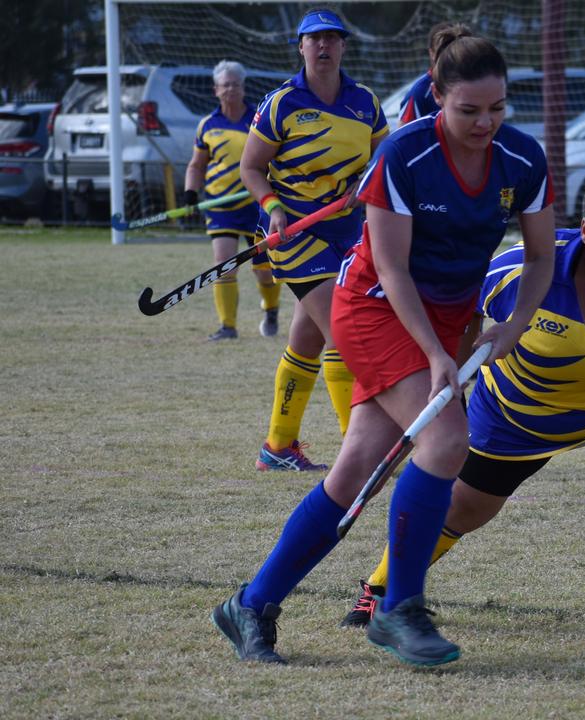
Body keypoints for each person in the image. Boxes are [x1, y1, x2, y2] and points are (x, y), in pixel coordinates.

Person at [211, 24, 556, 666]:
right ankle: (399, 608)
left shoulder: (524, 158)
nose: (486, 124)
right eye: (468, 110)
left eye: (498, 108)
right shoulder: (404, 154)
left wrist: (511, 324)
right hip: (376, 308)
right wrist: (434, 353)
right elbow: (392, 271)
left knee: (356, 469)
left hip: (449, 315)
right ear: (436, 95)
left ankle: (251, 605)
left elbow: (540, 257)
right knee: (448, 440)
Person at [339, 167, 585, 647]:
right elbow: (459, 317)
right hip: (515, 416)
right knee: (463, 507)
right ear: (584, 231)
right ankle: (380, 589)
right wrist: (449, 387)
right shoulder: (518, 270)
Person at [240, 9, 387, 471]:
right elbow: (251, 167)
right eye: (313, 39)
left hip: (347, 233)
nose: (323, 46)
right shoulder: (282, 103)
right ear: (299, 46)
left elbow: (385, 157)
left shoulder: (365, 102)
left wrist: (363, 186)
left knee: (307, 340)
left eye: (331, 39)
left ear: (343, 46)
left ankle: (277, 448)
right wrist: (274, 209)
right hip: (295, 234)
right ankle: (357, 451)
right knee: (343, 332)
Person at [184, 60, 282, 342]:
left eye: (235, 84)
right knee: (223, 262)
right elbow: (196, 165)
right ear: (216, 90)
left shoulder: (258, 120)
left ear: (243, 87)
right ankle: (228, 327)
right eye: (225, 85)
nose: (230, 89)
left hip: (256, 204)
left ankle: (271, 308)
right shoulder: (207, 125)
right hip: (220, 205)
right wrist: (191, 192)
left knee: (264, 270)